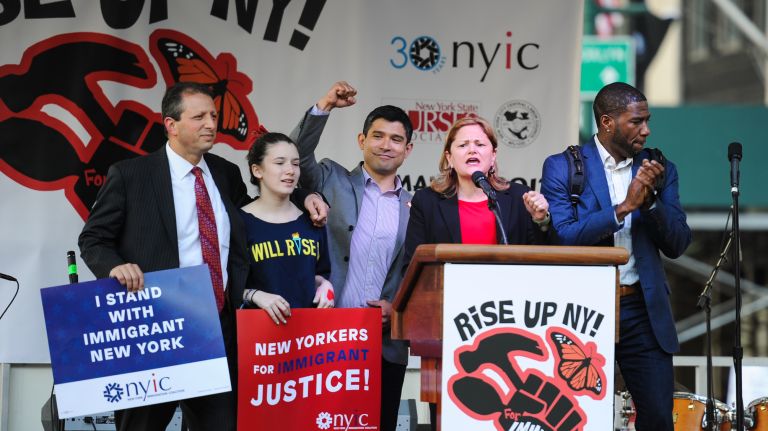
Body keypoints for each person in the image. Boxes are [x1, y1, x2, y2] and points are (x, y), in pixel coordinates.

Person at [78, 82, 326, 431]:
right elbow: (93, 238)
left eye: (213, 115)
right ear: (171, 125)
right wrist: (115, 266)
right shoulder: (132, 175)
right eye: (199, 117)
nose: (211, 123)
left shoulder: (226, 173)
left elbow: (262, 209)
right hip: (156, 325)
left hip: (219, 326)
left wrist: (305, 197)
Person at [540, 82, 691, 430]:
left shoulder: (658, 168)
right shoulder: (562, 167)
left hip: (641, 309)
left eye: (647, 120)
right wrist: (624, 207)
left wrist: (650, 201)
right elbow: (563, 237)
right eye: (636, 121)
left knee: (656, 419)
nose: (646, 129)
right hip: (581, 309)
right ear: (607, 122)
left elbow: (679, 243)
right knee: (574, 418)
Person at [401, 116, 551, 429]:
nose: (472, 149)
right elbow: (411, 265)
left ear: (493, 155)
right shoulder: (428, 202)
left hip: (511, 327)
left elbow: (545, 260)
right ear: (448, 156)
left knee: (508, 414)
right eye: (463, 144)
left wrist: (540, 221)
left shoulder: (516, 198)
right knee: (450, 416)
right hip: (447, 329)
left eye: (480, 144)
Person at [290, 81, 412, 431]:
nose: (385, 145)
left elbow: (414, 275)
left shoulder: (415, 205)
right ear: (362, 141)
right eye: (377, 136)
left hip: (384, 343)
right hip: (326, 338)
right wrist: (324, 105)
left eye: (396, 139)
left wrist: (398, 309)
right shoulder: (331, 178)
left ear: (408, 149)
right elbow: (294, 154)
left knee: (379, 425)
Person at [239, 132, 334, 325]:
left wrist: (324, 284)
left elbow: (318, 272)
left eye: (295, 163)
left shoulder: (313, 218)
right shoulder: (238, 222)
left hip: (306, 337)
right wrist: (255, 295)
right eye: (280, 162)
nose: (290, 170)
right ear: (257, 170)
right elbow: (225, 285)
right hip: (258, 339)